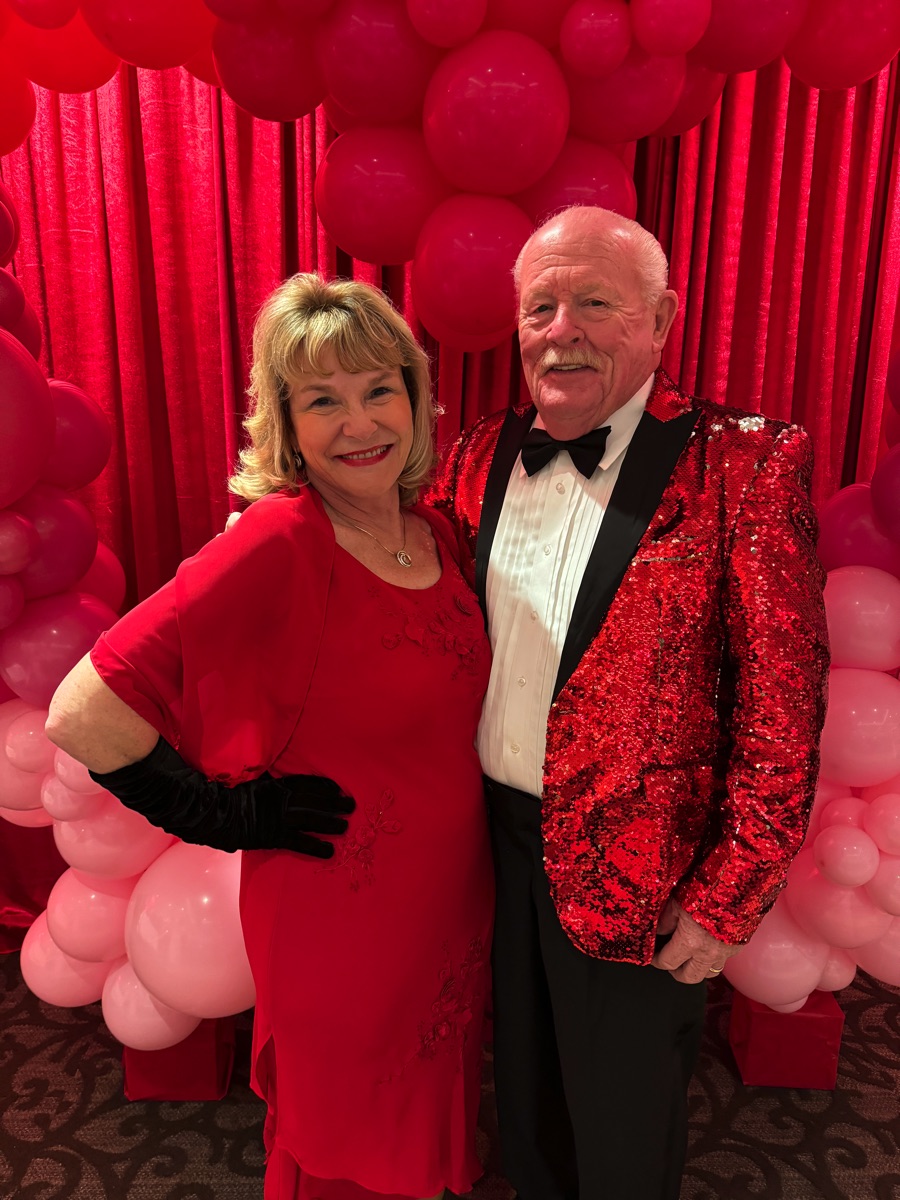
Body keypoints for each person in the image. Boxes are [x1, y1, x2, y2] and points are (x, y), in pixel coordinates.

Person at [45, 275, 495, 1200]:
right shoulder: (280, 541)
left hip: (446, 910)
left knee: (419, 1110)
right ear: (286, 423)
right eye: (322, 400)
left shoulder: (433, 533)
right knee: (345, 1140)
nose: (359, 422)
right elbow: (81, 710)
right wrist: (219, 816)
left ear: (415, 398)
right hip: (341, 916)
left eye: (379, 389)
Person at [428, 205, 830, 1200]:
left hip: (644, 869)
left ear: (662, 319)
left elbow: (782, 705)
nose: (561, 329)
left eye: (595, 303)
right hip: (488, 848)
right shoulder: (475, 454)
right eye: (541, 307)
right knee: (522, 1104)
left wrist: (731, 897)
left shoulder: (745, 462)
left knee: (621, 1132)